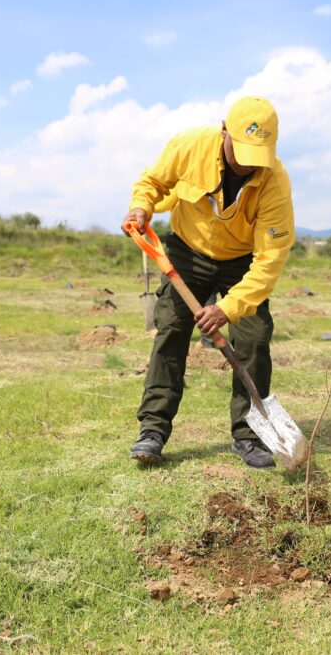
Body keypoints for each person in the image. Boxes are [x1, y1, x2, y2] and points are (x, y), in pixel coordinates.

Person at [120, 96, 295, 469]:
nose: (248, 162)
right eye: (242, 150)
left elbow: (269, 261)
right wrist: (141, 206)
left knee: (254, 336)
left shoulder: (274, 183)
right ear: (223, 131)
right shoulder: (189, 146)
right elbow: (152, 181)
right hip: (186, 251)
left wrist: (228, 308)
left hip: (242, 262)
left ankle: (249, 435)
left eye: (258, 153)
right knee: (171, 328)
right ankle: (153, 428)